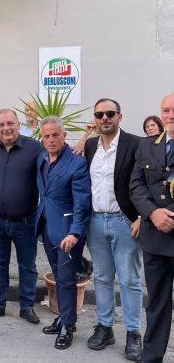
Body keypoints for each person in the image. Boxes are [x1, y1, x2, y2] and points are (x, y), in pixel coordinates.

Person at [84, 98, 142, 360]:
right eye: (99, 114)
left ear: (120, 116)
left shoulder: (135, 144)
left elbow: (146, 181)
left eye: (110, 113)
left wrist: (141, 216)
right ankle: (105, 327)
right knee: (102, 278)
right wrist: (81, 139)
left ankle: (133, 332)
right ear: (95, 119)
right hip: (95, 221)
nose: (104, 118)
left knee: (129, 280)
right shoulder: (90, 146)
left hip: (124, 221)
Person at [36, 116, 91, 350]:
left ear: (64, 135)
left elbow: (82, 203)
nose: (51, 140)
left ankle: (68, 325)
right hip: (47, 228)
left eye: (55, 135)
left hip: (68, 233)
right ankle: (64, 317)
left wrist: (75, 233)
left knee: (67, 279)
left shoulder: (76, 163)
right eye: (46, 136)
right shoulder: (41, 159)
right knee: (59, 277)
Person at [0, 109, 43, 323]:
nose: (6, 128)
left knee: (27, 266)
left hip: (26, 221)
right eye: (1, 125)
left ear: (18, 124)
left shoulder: (35, 148)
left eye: (10, 123)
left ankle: (27, 306)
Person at [130, 93, 174, 363]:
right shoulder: (147, 146)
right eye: (166, 110)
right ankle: (151, 356)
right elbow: (136, 185)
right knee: (156, 303)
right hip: (155, 237)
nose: (171, 115)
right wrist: (153, 213)